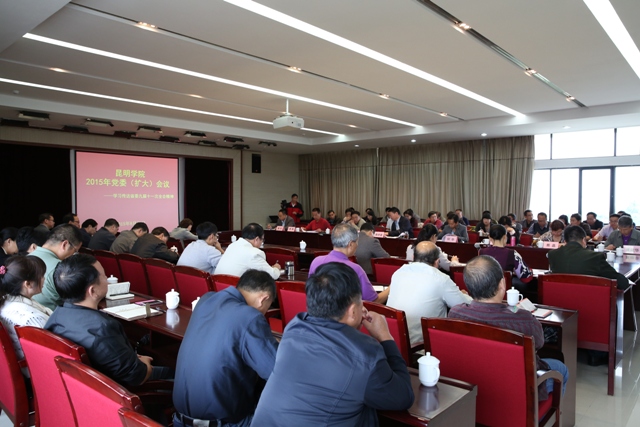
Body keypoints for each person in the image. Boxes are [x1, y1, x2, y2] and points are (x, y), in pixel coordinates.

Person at [252, 262, 414, 426]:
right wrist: (385, 336)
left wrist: (353, 321)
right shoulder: (365, 355)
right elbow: (403, 397)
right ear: (352, 311)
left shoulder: (294, 328)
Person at [449, 256, 568, 400]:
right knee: (561, 368)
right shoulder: (523, 320)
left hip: (475, 379)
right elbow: (540, 342)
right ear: (502, 284)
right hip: (516, 387)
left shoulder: (455, 313)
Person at [45, 254, 172, 387]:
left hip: (80, 384)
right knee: (173, 373)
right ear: (93, 290)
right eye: (104, 276)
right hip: (118, 388)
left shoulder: (56, 316)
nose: (107, 280)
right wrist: (145, 363)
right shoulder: (103, 328)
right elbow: (136, 376)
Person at [173, 270, 278, 427]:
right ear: (263, 299)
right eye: (266, 309)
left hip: (180, 420)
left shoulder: (206, 300)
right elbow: (277, 372)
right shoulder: (250, 316)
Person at [388, 242, 471, 345]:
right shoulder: (441, 279)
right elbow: (464, 305)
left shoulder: (398, 273)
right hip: (422, 345)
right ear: (437, 261)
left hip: (392, 340)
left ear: (413, 257)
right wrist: (463, 295)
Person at [309, 223, 388, 303]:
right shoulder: (355, 269)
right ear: (351, 244)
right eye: (357, 242)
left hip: (318, 308)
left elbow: (311, 292)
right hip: (342, 310)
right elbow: (373, 301)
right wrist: (391, 288)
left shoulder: (316, 261)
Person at [0, 255, 50, 376]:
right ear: (27, 284)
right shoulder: (32, 318)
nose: (44, 279)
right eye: (41, 276)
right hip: (36, 372)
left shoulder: (5, 301)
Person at [549, 225, 629, 290]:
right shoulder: (595, 257)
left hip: (558, 300)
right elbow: (621, 283)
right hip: (588, 301)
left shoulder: (552, 254)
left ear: (565, 241)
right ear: (584, 240)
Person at [30, 224, 82, 311]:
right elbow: (77, 302)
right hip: (51, 317)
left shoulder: (25, 258)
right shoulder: (61, 268)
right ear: (65, 244)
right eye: (75, 250)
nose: (74, 254)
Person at [480, 225, 534, 293]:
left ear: (490, 238)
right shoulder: (512, 253)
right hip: (504, 292)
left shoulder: (481, 252)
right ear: (505, 237)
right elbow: (526, 276)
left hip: (485, 291)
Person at [215, 223, 281, 279]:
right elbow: (273, 275)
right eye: (262, 239)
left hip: (218, 287)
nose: (262, 242)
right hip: (234, 289)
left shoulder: (232, 245)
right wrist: (276, 268)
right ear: (256, 239)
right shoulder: (254, 253)